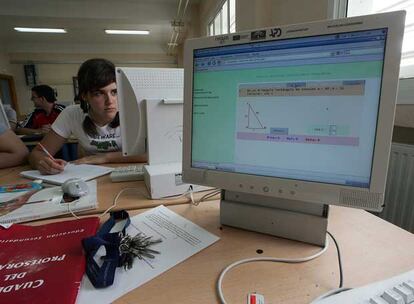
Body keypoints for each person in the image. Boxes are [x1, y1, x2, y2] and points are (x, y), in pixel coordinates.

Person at [29, 58, 147, 175]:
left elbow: (154, 152)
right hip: (92, 175)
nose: (110, 101)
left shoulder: (136, 111)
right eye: (98, 93)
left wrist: (105, 158)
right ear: (84, 96)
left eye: (114, 92)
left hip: (132, 171)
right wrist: (43, 163)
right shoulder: (72, 114)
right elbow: (37, 153)